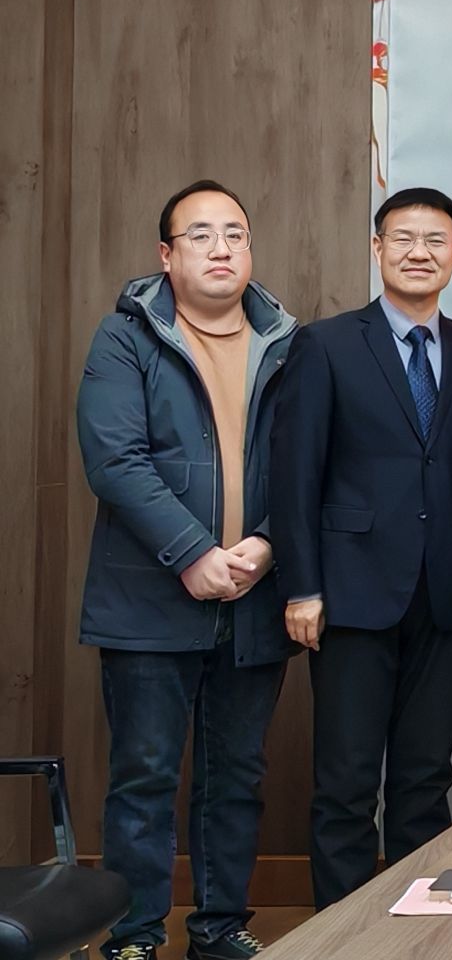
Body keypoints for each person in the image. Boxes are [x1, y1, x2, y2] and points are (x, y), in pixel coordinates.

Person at [77, 181, 297, 960]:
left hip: (255, 597)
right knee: (144, 777)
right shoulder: (125, 338)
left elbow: (312, 465)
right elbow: (115, 459)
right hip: (149, 599)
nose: (220, 248)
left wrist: (268, 544)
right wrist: (194, 554)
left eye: (234, 234)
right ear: (166, 256)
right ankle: (135, 936)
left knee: (236, 777)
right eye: (199, 235)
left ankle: (219, 929)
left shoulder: (289, 345)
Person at [270, 187, 452, 908]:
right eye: (403, 238)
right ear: (377, 248)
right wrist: (302, 586)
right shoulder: (326, 344)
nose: (419, 253)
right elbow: (295, 475)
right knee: (347, 781)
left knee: (426, 779)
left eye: (435, 240)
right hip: (351, 592)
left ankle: (416, 928)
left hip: (447, 595)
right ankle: (342, 935)